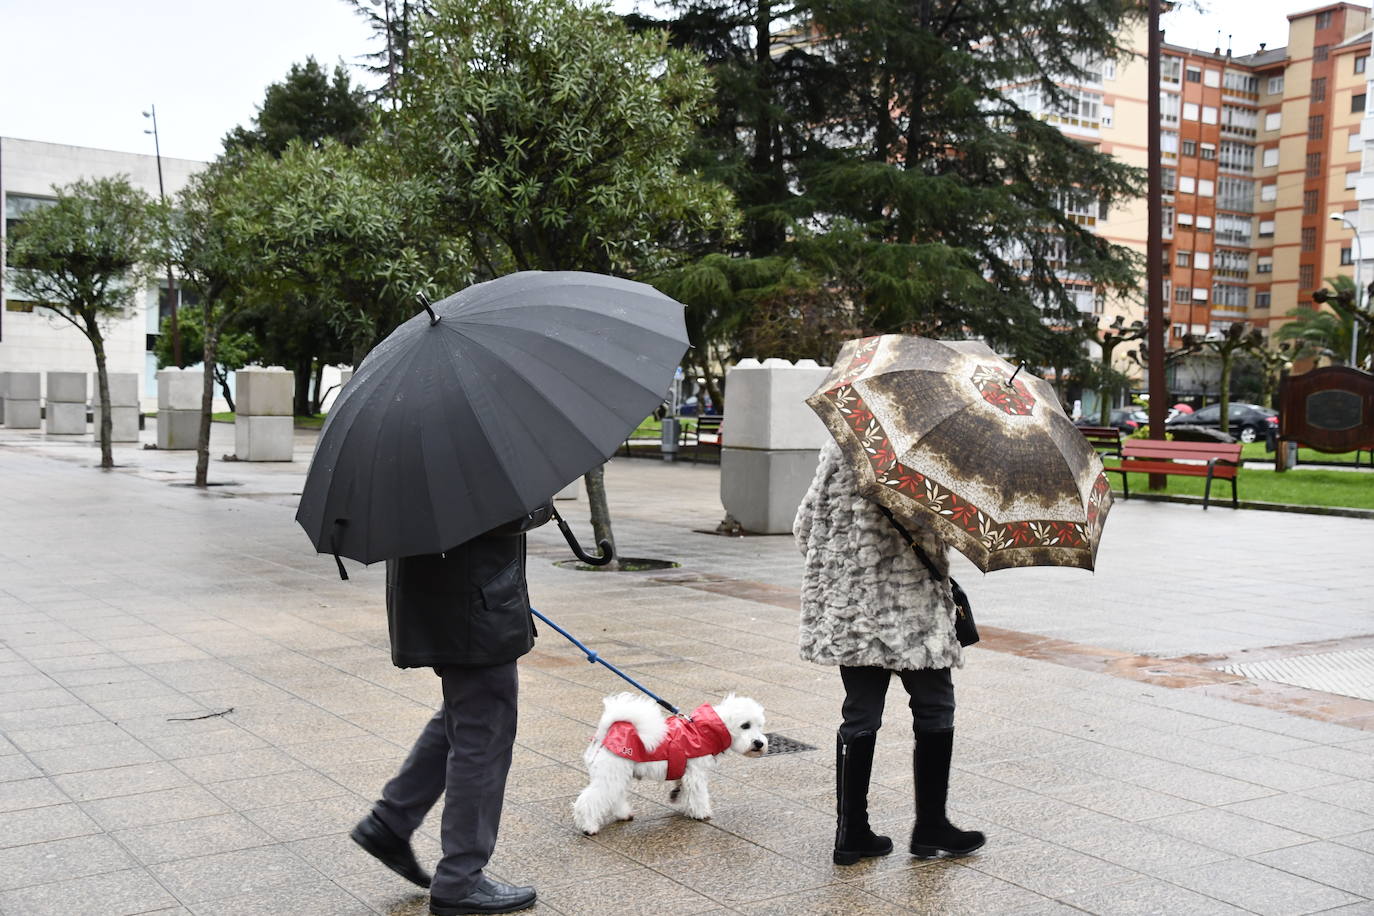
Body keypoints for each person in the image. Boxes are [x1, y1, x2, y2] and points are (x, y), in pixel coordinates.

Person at [350, 504, 554, 916]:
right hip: (474, 603)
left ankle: (392, 820)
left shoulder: (418, 454)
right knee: (483, 731)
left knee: (464, 715)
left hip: (449, 596)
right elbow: (499, 514)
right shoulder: (470, 452)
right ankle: (460, 880)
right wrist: (539, 507)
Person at [793, 439, 985, 866]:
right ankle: (931, 827)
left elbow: (804, 529)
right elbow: (948, 527)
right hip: (911, 608)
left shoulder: (837, 448)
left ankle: (851, 833)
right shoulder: (932, 457)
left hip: (852, 610)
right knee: (935, 707)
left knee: (859, 714)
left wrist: (851, 573)